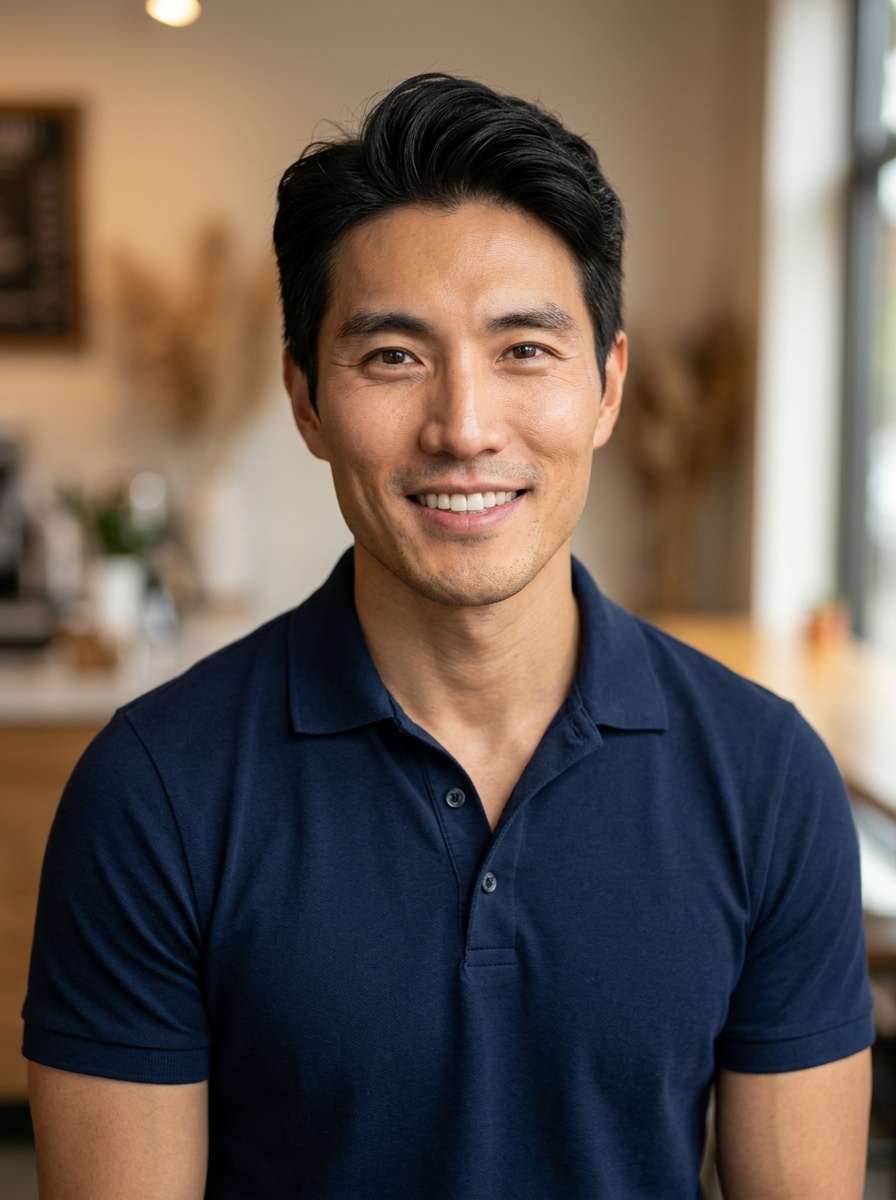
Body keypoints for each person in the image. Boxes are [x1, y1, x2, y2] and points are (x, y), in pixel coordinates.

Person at [24, 73, 873, 1199]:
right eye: (392, 357)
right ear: (306, 400)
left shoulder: (765, 781)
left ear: (607, 387)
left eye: (524, 349)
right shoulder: (154, 794)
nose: (463, 427)